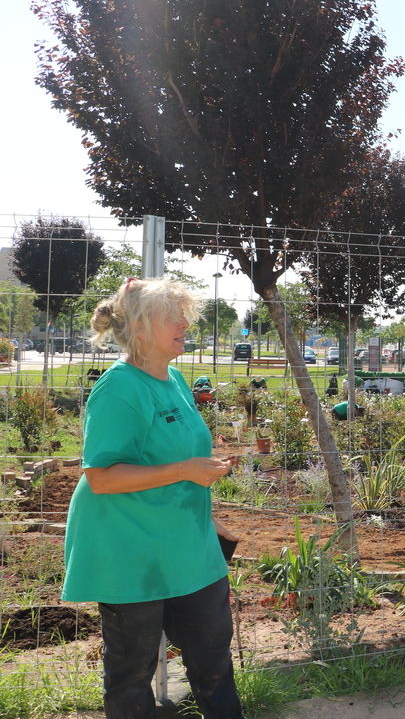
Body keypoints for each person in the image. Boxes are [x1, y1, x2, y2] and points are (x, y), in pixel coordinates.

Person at [62, 277, 245, 719]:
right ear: (141, 327)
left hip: (187, 548)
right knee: (131, 673)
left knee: (214, 658)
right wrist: (184, 471)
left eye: (184, 313)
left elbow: (174, 454)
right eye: (172, 315)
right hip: (132, 555)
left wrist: (200, 480)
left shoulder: (175, 379)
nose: (185, 322)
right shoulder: (119, 388)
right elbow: (101, 477)